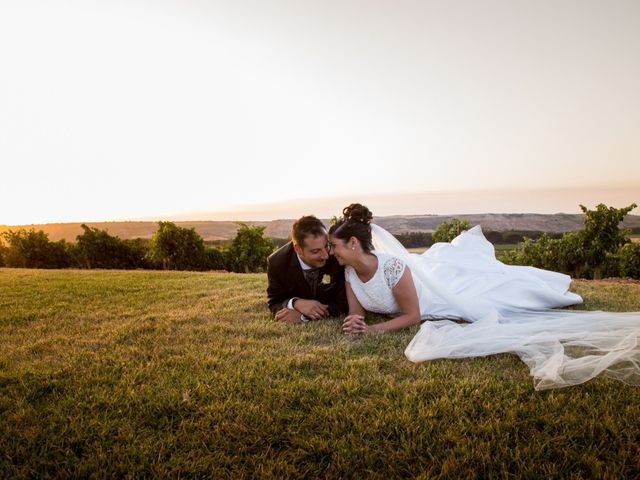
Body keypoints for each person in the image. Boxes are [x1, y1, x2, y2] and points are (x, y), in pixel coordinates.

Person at [328, 203, 640, 390]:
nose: (332, 252)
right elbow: (357, 314)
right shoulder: (349, 271)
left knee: (494, 293)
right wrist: (354, 324)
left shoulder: (394, 267)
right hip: (420, 287)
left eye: (335, 246)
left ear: (353, 243)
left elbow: (413, 316)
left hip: (434, 296)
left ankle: (536, 285)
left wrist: (371, 331)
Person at [267, 215, 347, 323]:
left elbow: (343, 304)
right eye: (315, 251)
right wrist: (295, 303)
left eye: (326, 246)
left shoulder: (336, 257)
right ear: (298, 249)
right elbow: (274, 302)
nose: (326, 256)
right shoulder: (277, 263)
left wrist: (304, 317)